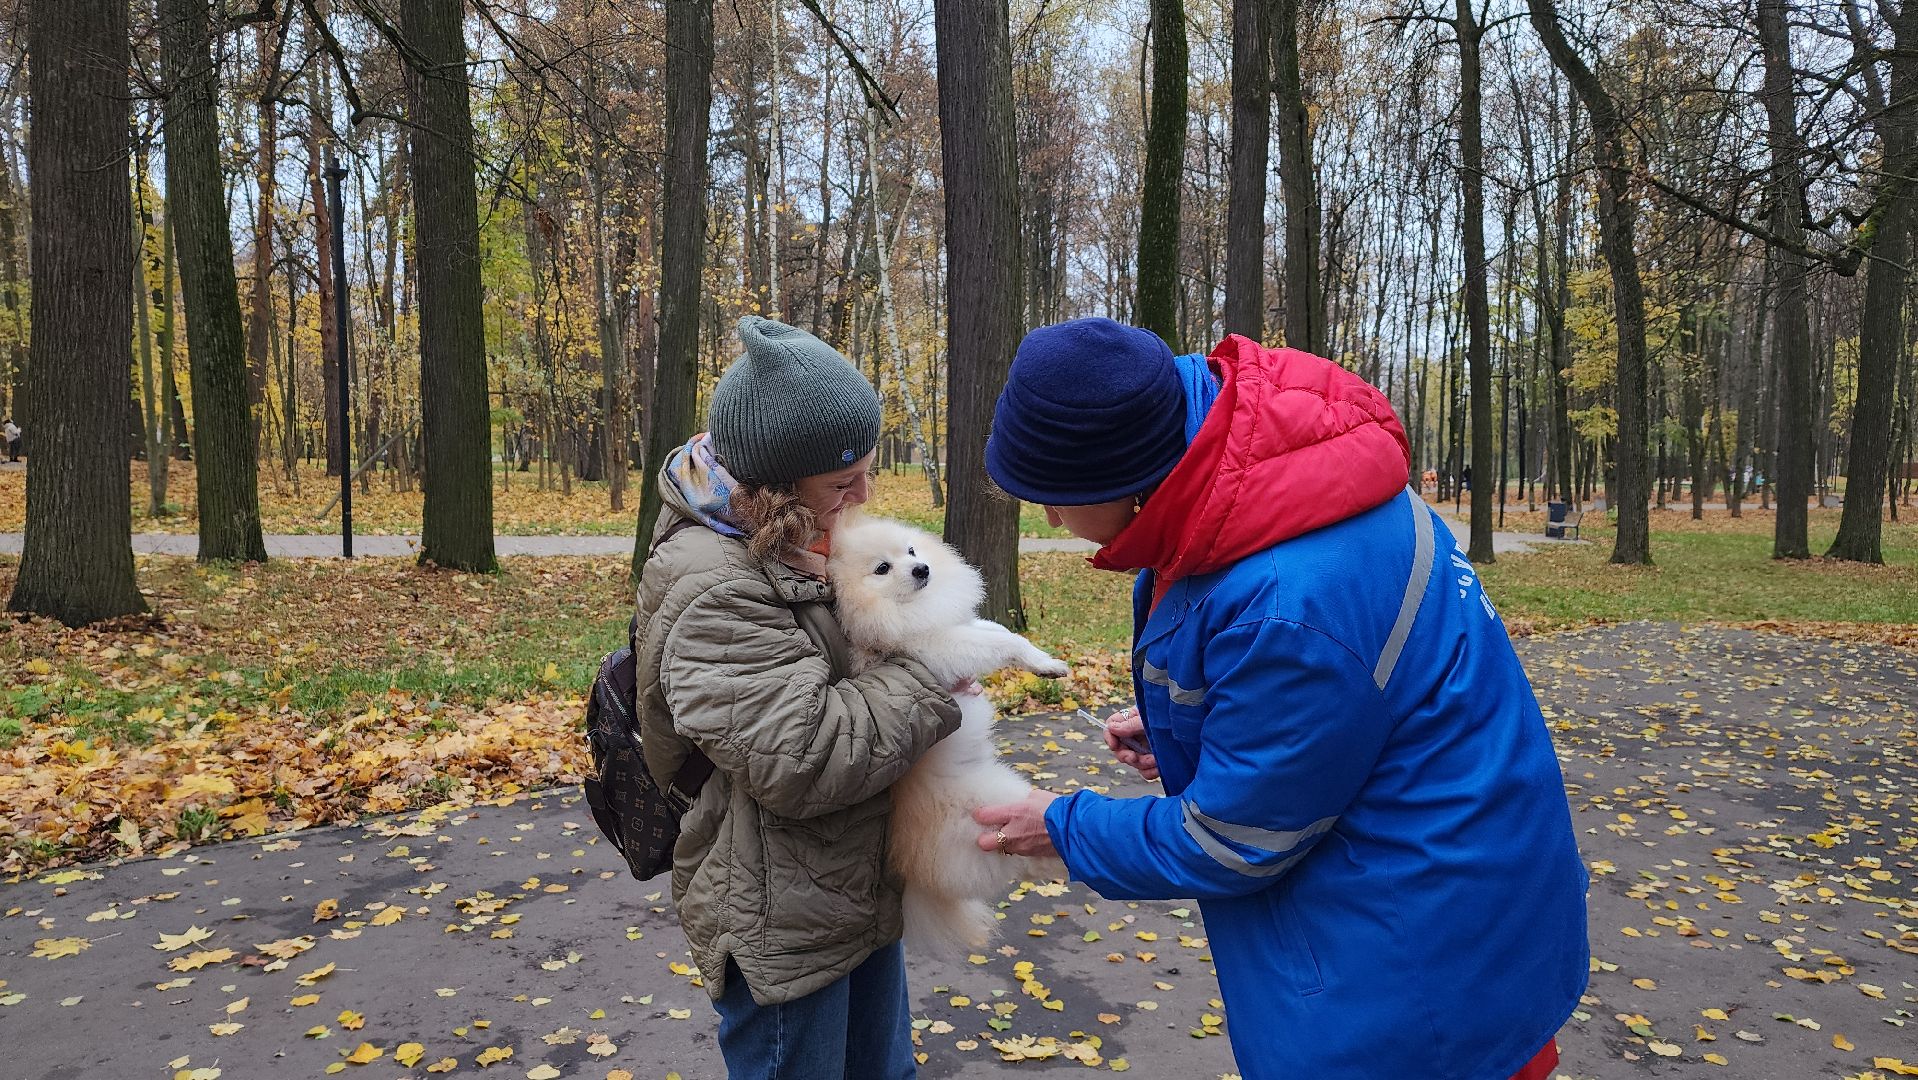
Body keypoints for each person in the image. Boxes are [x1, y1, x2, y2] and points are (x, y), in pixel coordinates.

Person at [973, 318, 1588, 1080]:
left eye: (1055, 497)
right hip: (1477, 902)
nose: (1052, 520)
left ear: (1126, 477)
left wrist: (1062, 826)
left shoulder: (1285, 600)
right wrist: (1195, 723)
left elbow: (1233, 842)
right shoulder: (1277, 475)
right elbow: (1353, 704)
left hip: (1413, 975)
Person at [632, 316, 962, 1079]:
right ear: (773, 487)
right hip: (780, 918)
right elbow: (805, 756)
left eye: (868, 472)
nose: (865, 495)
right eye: (842, 483)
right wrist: (932, 669)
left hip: (847, 888)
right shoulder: (714, 584)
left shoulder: (794, 543)